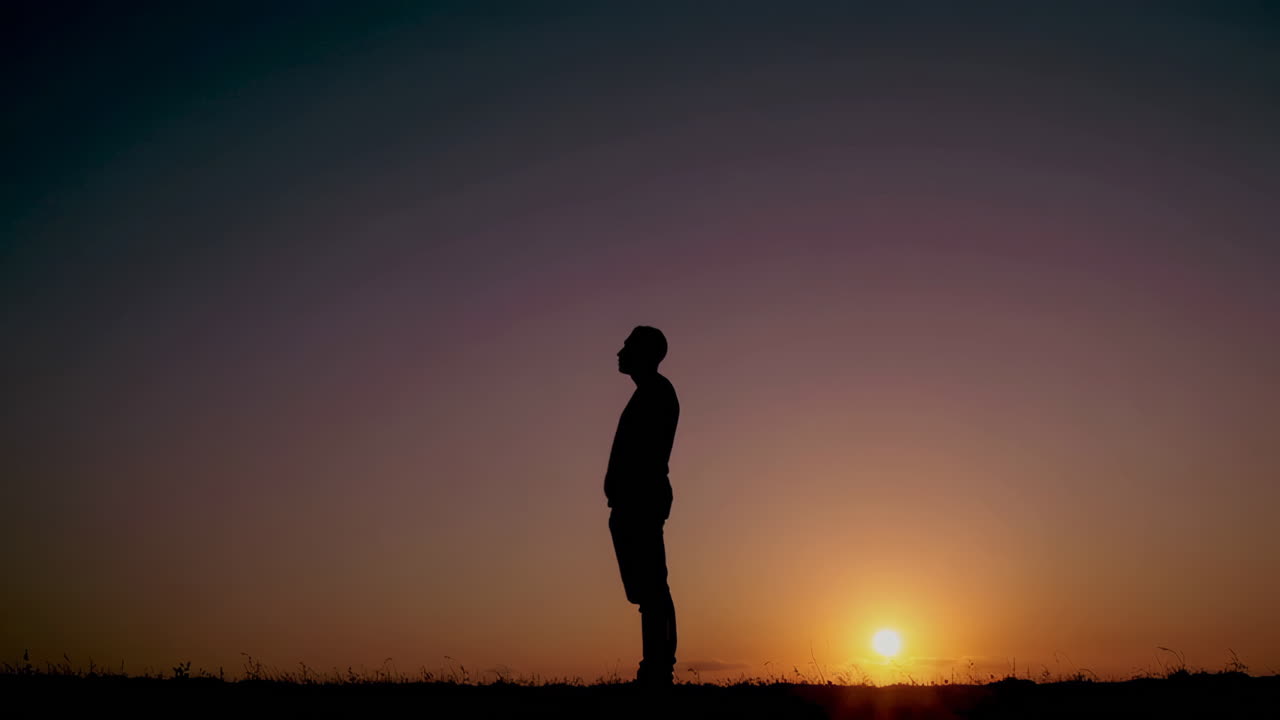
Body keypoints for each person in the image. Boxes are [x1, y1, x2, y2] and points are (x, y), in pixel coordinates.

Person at [605, 325, 680, 686]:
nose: (620, 353)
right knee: (646, 588)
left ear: (646, 354)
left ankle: (658, 668)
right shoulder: (648, 393)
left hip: (642, 499)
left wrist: (632, 493)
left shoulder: (656, 394)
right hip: (633, 500)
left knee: (652, 588)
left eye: (628, 346)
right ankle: (656, 666)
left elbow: (645, 455)